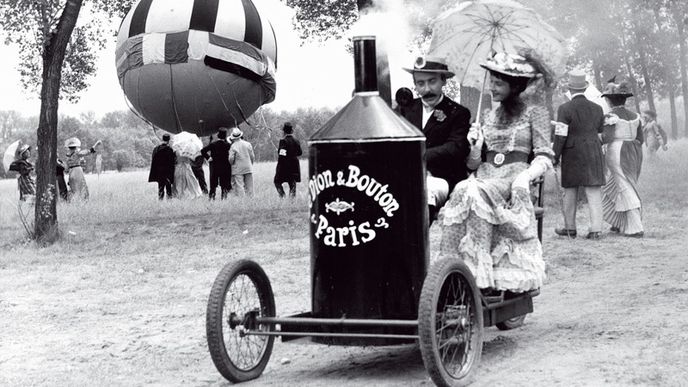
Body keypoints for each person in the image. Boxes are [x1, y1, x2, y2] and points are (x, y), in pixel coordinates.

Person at [437, 52, 552, 292]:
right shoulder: (489, 115)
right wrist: (475, 147)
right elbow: (472, 165)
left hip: (514, 177)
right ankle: (450, 269)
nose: (492, 87)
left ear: (515, 85)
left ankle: (481, 278)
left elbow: (543, 155)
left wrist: (526, 176)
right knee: (462, 188)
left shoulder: (535, 112)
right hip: (486, 175)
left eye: (498, 83)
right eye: (491, 81)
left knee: (476, 191)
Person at [400, 56, 471, 222]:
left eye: (432, 81)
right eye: (420, 83)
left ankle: (419, 245)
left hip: (442, 178)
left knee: (425, 190)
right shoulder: (405, 109)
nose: (426, 89)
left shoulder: (458, 112)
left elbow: (456, 148)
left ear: (443, 80)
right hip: (409, 175)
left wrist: (420, 155)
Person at [552, 69, 606, 240]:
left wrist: (555, 156)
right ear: (585, 88)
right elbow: (600, 132)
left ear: (570, 90)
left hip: (572, 152)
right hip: (593, 151)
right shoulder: (597, 109)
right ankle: (596, 229)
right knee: (594, 190)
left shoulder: (564, 108)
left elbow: (560, 135)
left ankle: (570, 228)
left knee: (570, 190)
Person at [601, 80, 644, 238]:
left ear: (610, 100)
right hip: (634, 151)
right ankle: (619, 222)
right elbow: (641, 138)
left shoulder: (611, 116)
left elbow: (607, 137)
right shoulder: (635, 116)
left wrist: (594, 139)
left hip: (617, 151)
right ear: (624, 100)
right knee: (618, 183)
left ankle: (635, 226)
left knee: (623, 185)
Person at [64, 137, 101, 201]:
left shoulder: (67, 155)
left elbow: (66, 168)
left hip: (71, 172)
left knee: (73, 188)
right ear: (75, 147)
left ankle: (72, 201)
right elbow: (88, 151)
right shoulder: (77, 153)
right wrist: (96, 144)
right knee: (81, 187)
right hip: (77, 171)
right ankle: (82, 200)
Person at [274, 122, 303, 198]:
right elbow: (300, 153)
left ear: (284, 131)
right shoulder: (296, 141)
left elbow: (282, 155)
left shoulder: (283, 141)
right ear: (291, 130)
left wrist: (279, 165)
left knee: (277, 181)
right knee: (292, 183)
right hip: (294, 165)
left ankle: (282, 196)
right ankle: (292, 200)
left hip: (285, 165)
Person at [201, 129, 232, 199]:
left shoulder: (213, 144)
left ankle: (212, 197)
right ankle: (223, 198)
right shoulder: (228, 145)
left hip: (214, 167)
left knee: (213, 184)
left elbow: (203, 151)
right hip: (224, 167)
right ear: (225, 136)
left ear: (218, 136)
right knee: (224, 184)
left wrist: (208, 158)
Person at [148, 134, 176, 200]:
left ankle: (160, 201)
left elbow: (153, 160)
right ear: (169, 141)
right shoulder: (169, 149)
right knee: (168, 189)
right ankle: (169, 203)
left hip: (158, 172)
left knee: (160, 188)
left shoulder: (156, 149)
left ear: (162, 139)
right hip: (167, 172)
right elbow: (171, 163)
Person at [228, 128, 255, 196]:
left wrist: (232, 164)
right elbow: (252, 156)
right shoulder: (248, 144)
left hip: (238, 169)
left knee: (239, 186)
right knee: (249, 186)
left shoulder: (233, 146)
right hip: (248, 167)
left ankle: (242, 200)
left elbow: (231, 159)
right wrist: (250, 164)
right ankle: (250, 199)